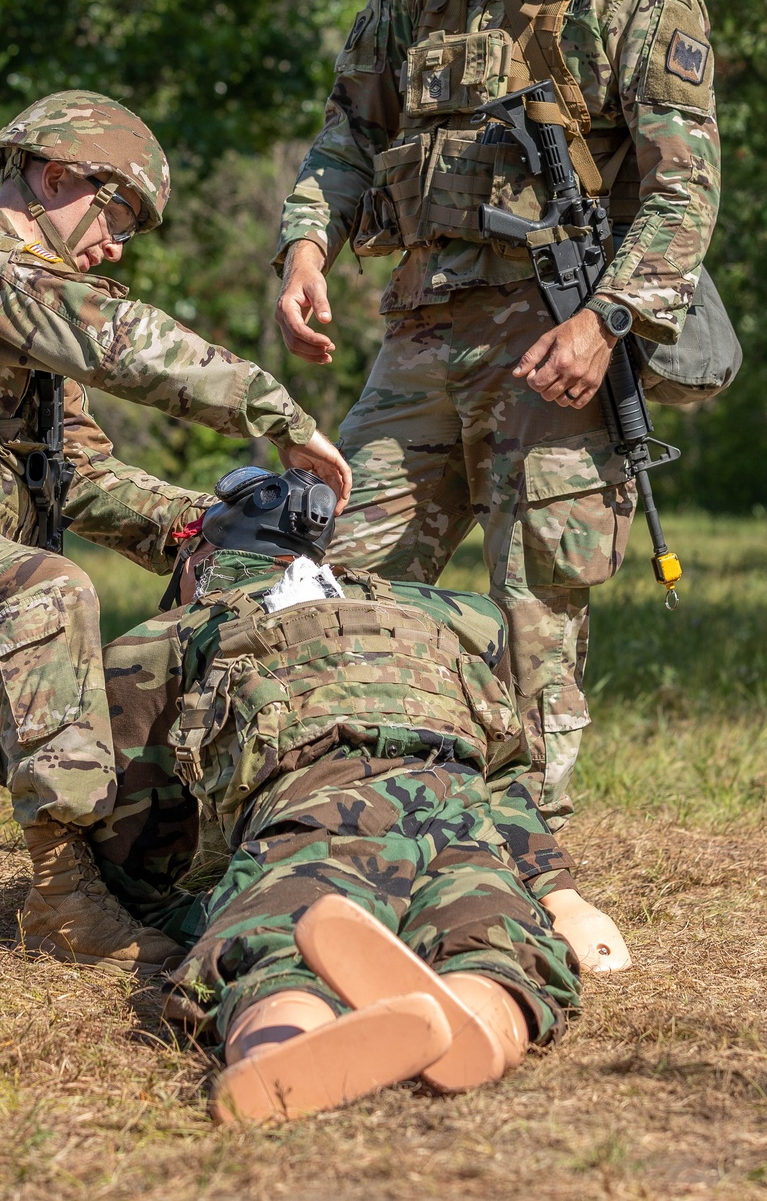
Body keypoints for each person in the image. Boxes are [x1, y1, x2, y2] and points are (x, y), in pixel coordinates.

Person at [0, 90, 350, 973]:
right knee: (50, 588)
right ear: (56, 178)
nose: (117, 246)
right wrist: (275, 412)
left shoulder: (30, 324)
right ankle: (63, 892)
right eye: (118, 214)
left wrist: (201, 525)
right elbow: (124, 339)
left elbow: (78, 473)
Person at [272, 0, 720, 822]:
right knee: (334, 566)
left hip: (557, 333)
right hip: (425, 332)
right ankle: (342, 793)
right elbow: (348, 133)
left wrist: (607, 322)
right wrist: (304, 243)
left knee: (536, 597)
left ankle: (525, 840)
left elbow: (680, 192)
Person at [92, 466, 628, 1123]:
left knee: (273, 943)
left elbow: (138, 848)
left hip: (318, 810)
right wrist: (557, 893)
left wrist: (197, 912)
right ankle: (482, 1018)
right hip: (455, 801)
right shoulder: (455, 615)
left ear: (202, 557)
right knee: (494, 936)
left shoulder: (164, 639)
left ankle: (287, 1041)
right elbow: (504, 773)